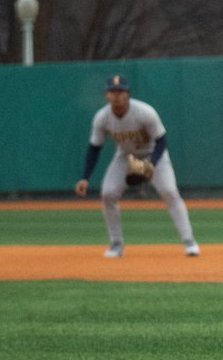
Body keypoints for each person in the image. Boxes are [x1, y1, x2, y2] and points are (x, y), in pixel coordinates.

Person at [74, 75, 200, 258]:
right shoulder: (102, 118)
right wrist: (85, 177)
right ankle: (116, 244)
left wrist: (151, 164)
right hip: (125, 156)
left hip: (153, 154)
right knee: (108, 193)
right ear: (106, 95)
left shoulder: (144, 112)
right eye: (112, 92)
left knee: (170, 192)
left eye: (121, 91)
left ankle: (189, 241)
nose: (117, 95)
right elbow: (94, 148)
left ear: (128, 94)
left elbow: (161, 140)